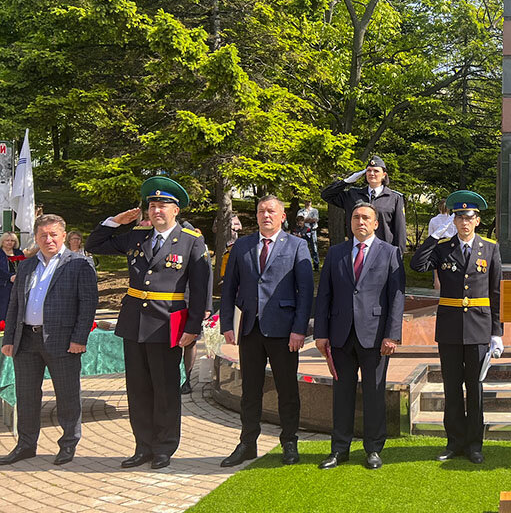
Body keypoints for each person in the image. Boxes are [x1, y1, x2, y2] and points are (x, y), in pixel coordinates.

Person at [85, 176, 213, 469]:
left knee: (165, 389)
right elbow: (95, 244)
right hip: (134, 322)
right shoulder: (136, 236)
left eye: (163, 206)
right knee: (138, 388)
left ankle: (164, 447)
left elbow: (202, 288)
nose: (157, 211)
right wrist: (117, 221)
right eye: (153, 206)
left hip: (167, 324)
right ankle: (142, 446)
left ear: (176, 210)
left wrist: (193, 329)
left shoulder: (192, 242)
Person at [218, 196, 315, 467]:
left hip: (284, 332)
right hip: (250, 330)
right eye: (261, 211)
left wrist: (299, 329)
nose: (266, 215)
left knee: (287, 390)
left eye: (272, 211)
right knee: (250, 390)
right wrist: (227, 324)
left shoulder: (297, 245)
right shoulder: (242, 246)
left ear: (283, 216)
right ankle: (248, 443)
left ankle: (289, 442)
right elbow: (229, 289)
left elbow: (305, 292)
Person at [411, 190, 502, 464]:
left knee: (474, 389)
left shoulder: (490, 248)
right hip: (450, 327)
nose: (464, 222)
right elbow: (418, 265)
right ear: (454, 220)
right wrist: (433, 237)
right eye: (459, 217)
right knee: (451, 388)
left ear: (477, 220)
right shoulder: (443, 248)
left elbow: (496, 292)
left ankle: (474, 444)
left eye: (469, 217)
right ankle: (454, 442)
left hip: (478, 327)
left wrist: (497, 332)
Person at [0, 215, 98, 466]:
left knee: (67, 396)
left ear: (63, 236)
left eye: (53, 234)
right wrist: (9, 338)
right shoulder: (27, 266)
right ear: (36, 237)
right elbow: (14, 305)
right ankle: (26, 445)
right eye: (43, 235)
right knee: (26, 396)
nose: (48, 239)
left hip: (63, 341)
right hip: (26, 341)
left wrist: (79, 338)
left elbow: (88, 304)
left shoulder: (79, 263)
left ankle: (68, 444)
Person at [314, 202, 404, 470]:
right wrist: (320, 333)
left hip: (375, 337)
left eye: (366, 218)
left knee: (374, 393)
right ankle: (339, 449)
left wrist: (392, 335)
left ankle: (373, 449)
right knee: (342, 394)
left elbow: (396, 298)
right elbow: (325, 296)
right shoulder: (336, 253)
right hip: (341, 335)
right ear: (350, 222)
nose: (360, 222)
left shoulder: (390, 253)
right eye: (355, 217)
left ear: (376, 223)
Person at [321, 156, 407, 253]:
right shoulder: (353, 195)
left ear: (384, 175)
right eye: (369, 171)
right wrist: (346, 182)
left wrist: (397, 256)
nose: (372, 174)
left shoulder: (394, 198)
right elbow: (326, 195)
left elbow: (400, 231)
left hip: (383, 252)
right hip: (357, 251)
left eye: (376, 171)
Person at [0, 232, 25, 325]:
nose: (10, 243)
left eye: (12, 241)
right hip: (3, 285)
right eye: (7, 240)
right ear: (2, 242)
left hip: (19, 284)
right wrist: (9, 277)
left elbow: (24, 266)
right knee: (4, 307)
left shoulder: (19, 253)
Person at [297, 200, 321, 271]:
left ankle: (316, 266)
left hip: (312, 231)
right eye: (306, 201)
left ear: (311, 202)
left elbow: (315, 219)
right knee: (302, 248)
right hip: (303, 231)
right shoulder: (300, 211)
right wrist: (308, 220)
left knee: (314, 248)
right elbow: (299, 220)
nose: (308, 203)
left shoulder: (315, 210)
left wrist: (304, 220)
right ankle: (303, 265)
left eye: (309, 201)